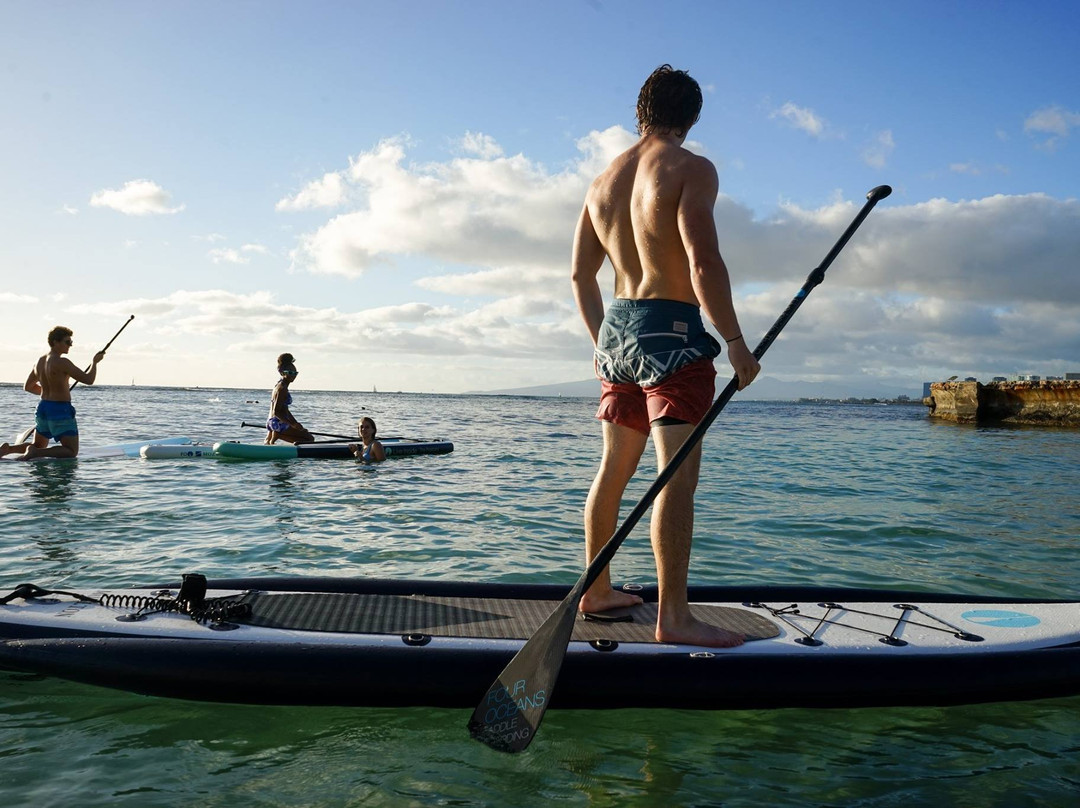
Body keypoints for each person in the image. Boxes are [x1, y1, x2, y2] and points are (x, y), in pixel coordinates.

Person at [570, 65, 761, 648]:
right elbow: (702, 263)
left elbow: (581, 274)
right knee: (674, 479)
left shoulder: (602, 181)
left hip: (618, 332)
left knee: (613, 470)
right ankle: (673, 618)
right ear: (692, 117)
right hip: (672, 333)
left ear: (641, 111)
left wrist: (605, 342)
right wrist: (733, 341)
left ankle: (596, 591)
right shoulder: (690, 168)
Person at [0, 326, 106, 460]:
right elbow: (89, 379)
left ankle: (7, 449)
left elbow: (28, 386)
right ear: (55, 342)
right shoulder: (62, 362)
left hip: (43, 407)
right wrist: (94, 362)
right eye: (67, 342)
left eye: (71, 342)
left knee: (38, 444)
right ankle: (35, 453)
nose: (70, 345)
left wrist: (48, 394)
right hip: (60, 410)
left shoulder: (39, 362)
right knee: (71, 451)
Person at [264, 353, 315, 444]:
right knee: (310, 439)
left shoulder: (279, 385)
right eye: (290, 373)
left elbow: (285, 410)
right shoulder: (282, 388)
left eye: (295, 373)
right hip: (278, 423)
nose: (293, 375)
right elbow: (276, 411)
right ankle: (278, 435)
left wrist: (296, 424)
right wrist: (291, 424)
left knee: (305, 433)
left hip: (273, 422)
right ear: (282, 373)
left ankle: (272, 439)